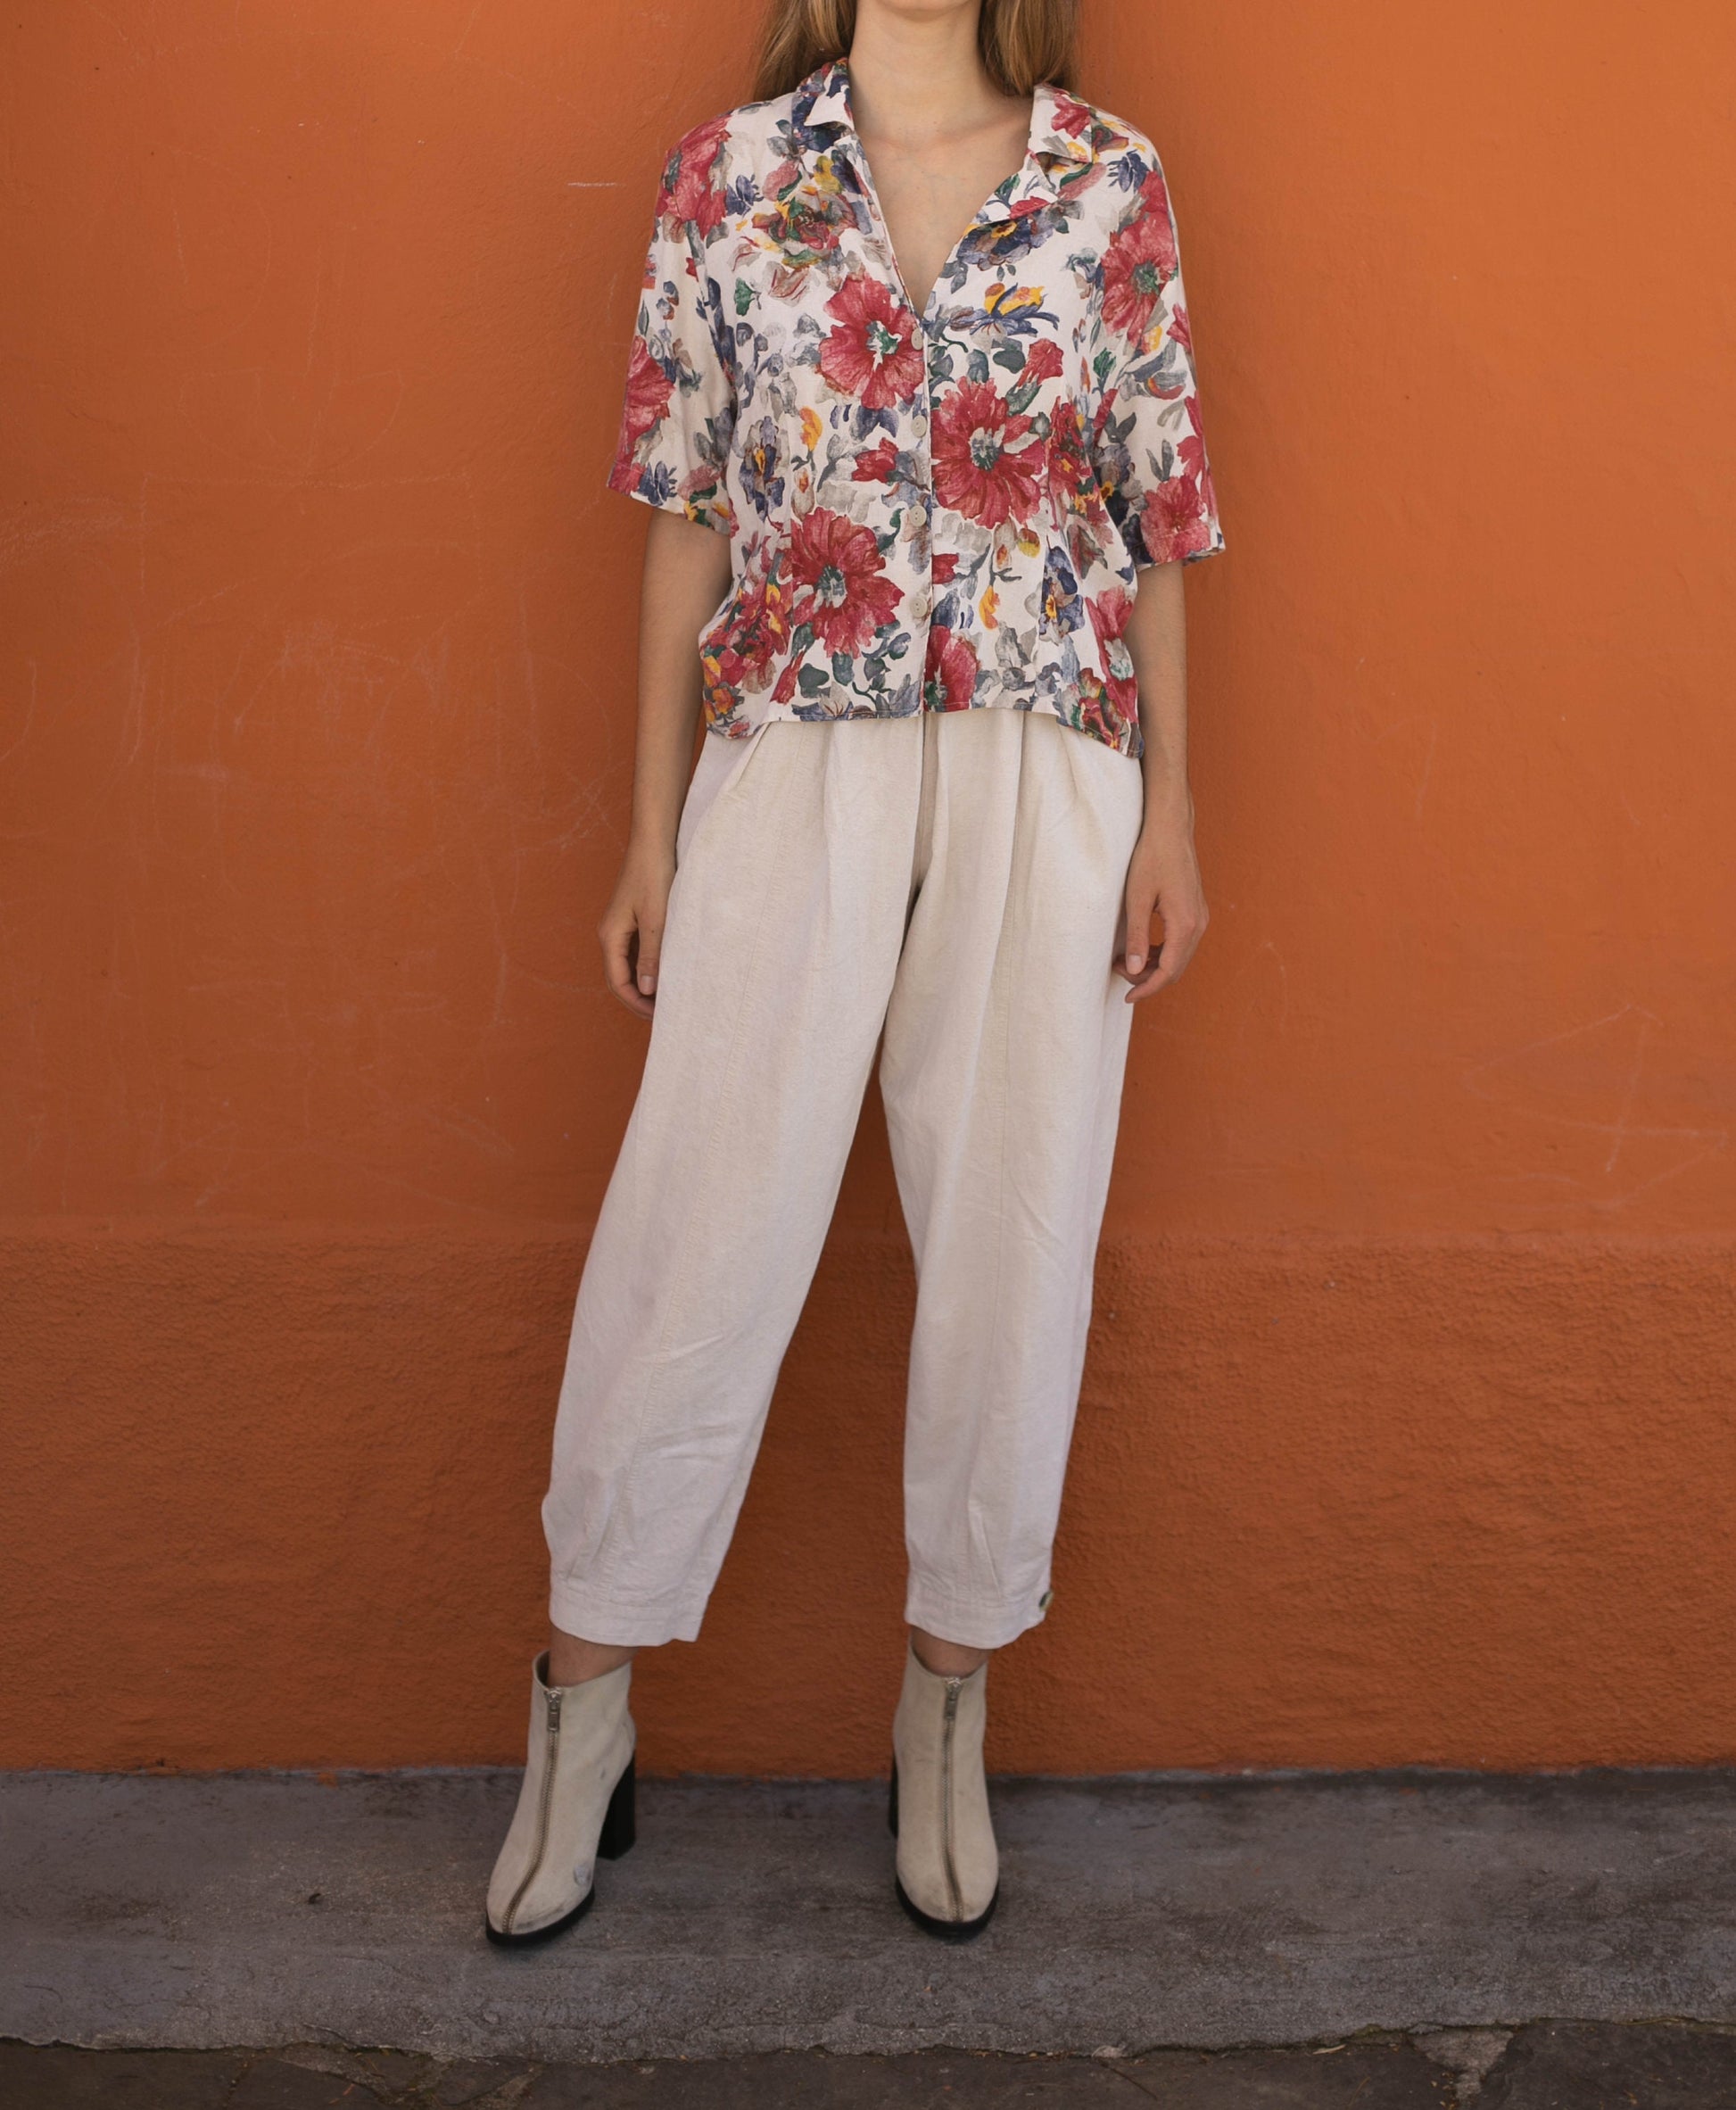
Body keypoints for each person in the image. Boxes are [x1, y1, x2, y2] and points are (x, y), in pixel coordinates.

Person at [484, 0, 1223, 1947]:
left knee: (1010, 1234)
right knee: (694, 1228)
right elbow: (680, 520)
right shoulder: (730, 181)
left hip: (1043, 759)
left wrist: (1170, 814)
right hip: (791, 741)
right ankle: (580, 1705)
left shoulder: (1108, 180)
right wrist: (651, 835)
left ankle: (947, 1703)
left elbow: (1158, 523)